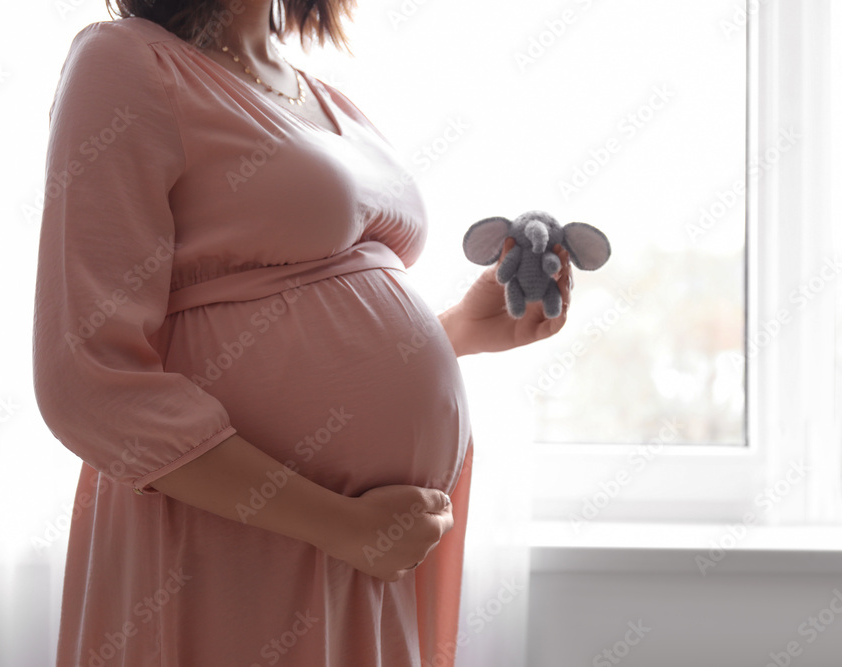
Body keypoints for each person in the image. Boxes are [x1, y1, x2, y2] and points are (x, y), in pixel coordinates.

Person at [31, 1, 572, 665]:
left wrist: (458, 330)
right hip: (232, 537)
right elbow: (85, 378)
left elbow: (303, 325)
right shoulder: (125, 62)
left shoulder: (322, 95)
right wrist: (339, 523)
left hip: (372, 555)